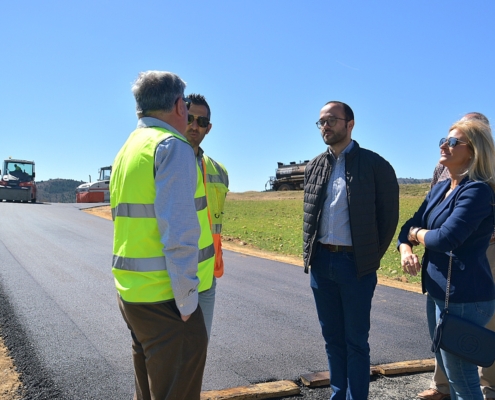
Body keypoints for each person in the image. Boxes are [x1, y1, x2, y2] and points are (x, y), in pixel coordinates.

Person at [110, 71, 215, 400]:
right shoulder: (172, 147)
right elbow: (180, 232)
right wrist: (187, 302)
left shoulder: (127, 150)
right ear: (177, 105)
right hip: (166, 300)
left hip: (132, 294)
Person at [303, 101, 399, 400]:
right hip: (322, 264)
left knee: (356, 341)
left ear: (350, 124)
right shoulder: (314, 166)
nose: (325, 126)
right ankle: (337, 395)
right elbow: (310, 215)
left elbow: (388, 219)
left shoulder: (376, 165)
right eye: (321, 122)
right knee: (332, 339)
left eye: (332, 120)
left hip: (355, 266)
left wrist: (369, 257)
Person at [398, 118, 495, 400]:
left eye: (454, 142)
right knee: (451, 374)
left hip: (465, 297)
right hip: (438, 291)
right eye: (445, 139)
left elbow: (445, 239)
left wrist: (416, 233)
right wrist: (407, 247)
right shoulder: (441, 188)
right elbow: (408, 227)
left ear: (474, 151)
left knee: (463, 381)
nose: (445, 145)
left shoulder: (477, 191)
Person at [184, 93, 229, 340]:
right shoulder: (164, 160)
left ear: (208, 128)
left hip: (206, 276)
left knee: (199, 348)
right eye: (190, 118)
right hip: (172, 273)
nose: (194, 125)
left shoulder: (218, 172)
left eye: (201, 122)